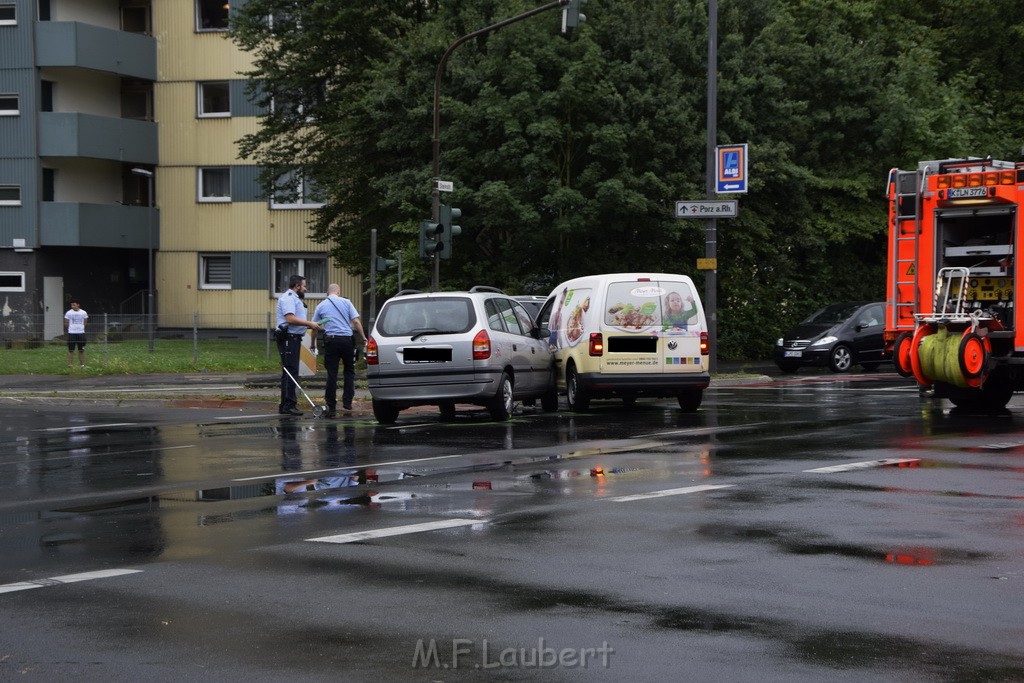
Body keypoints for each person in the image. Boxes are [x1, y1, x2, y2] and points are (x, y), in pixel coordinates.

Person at [312, 283, 366, 417]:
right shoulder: (346, 302)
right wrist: (363, 337)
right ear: (338, 291)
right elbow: (356, 322)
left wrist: (313, 343)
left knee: (332, 373)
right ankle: (347, 402)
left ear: (327, 292)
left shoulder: (321, 305)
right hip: (347, 341)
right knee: (349, 371)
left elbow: (314, 326)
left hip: (331, 341)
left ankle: (331, 404)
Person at [275, 275, 322, 416]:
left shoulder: (295, 298)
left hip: (294, 338)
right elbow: (290, 318)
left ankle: (285, 405)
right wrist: (310, 324)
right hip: (288, 338)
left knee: (289, 371)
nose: (305, 288)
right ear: (297, 286)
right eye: (304, 286)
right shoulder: (288, 298)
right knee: (291, 371)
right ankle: (289, 404)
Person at [64, 299, 89, 368]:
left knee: (81, 350)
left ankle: (82, 365)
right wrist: (71, 328)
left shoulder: (83, 312)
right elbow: (66, 322)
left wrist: (81, 327)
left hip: (81, 333)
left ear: (78, 305)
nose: (72, 306)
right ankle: (70, 365)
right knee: (70, 350)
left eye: (74, 305)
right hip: (72, 333)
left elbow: (85, 322)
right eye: (72, 305)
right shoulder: (68, 313)